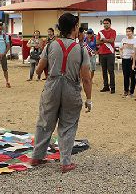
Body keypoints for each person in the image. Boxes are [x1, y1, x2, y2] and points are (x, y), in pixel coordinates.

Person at [30, 13, 92, 173]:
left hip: (51, 86)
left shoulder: (50, 45)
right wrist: (89, 99)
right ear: (75, 28)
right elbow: (86, 78)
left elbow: (37, 70)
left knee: (45, 121)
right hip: (71, 87)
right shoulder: (81, 49)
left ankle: (37, 156)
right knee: (69, 124)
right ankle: (65, 162)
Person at [97, 18, 116, 94]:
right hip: (102, 53)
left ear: (110, 24)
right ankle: (106, 86)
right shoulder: (100, 32)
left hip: (110, 53)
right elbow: (97, 42)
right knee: (103, 71)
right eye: (104, 23)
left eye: (107, 23)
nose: (105, 24)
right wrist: (105, 40)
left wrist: (103, 40)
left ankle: (112, 87)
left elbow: (112, 40)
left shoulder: (113, 31)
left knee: (111, 71)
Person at [120, 27, 136, 97]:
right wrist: (121, 53)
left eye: (129, 31)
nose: (128, 33)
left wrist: (134, 56)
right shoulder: (124, 40)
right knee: (125, 75)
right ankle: (126, 90)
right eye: (127, 31)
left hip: (132, 59)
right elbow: (120, 48)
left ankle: (132, 91)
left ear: (132, 32)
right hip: (125, 59)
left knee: (132, 75)